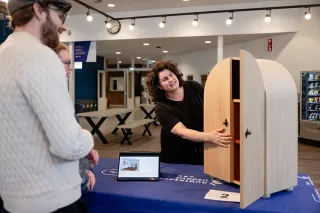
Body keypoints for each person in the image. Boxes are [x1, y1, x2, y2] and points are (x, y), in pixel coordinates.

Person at [0, 1, 96, 213]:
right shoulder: (41, 56)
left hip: (12, 201)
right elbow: (68, 145)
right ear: (38, 9)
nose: (62, 25)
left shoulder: (3, 54)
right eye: (61, 14)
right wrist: (87, 139)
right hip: (53, 201)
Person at [146, 60, 232, 165]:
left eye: (171, 75)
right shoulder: (161, 108)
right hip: (177, 158)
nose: (171, 80)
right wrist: (210, 137)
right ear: (160, 86)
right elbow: (183, 133)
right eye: (165, 79)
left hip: (200, 150)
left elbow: (213, 104)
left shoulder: (193, 86)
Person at [53, 43, 97, 192]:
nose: (70, 68)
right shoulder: (47, 101)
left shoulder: (60, 96)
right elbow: (62, 147)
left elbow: (74, 138)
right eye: (66, 63)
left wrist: (85, 151)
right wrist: (82, 176)